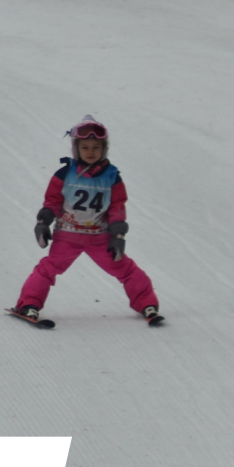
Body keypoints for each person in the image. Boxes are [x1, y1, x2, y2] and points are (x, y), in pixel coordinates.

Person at [13, 115, 162, 325]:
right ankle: (29, 305)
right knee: (47, 269)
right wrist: (43, 222)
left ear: (104, 149)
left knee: (126, 269)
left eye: (96, 147)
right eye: (85, 148)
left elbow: (117, 206)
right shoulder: (64, 174)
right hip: (68, 236)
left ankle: (147, 305)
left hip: (100, 239)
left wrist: (118, 234)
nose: (91, 152)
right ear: (76, 149)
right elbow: (53, 201)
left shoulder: (112, 177)